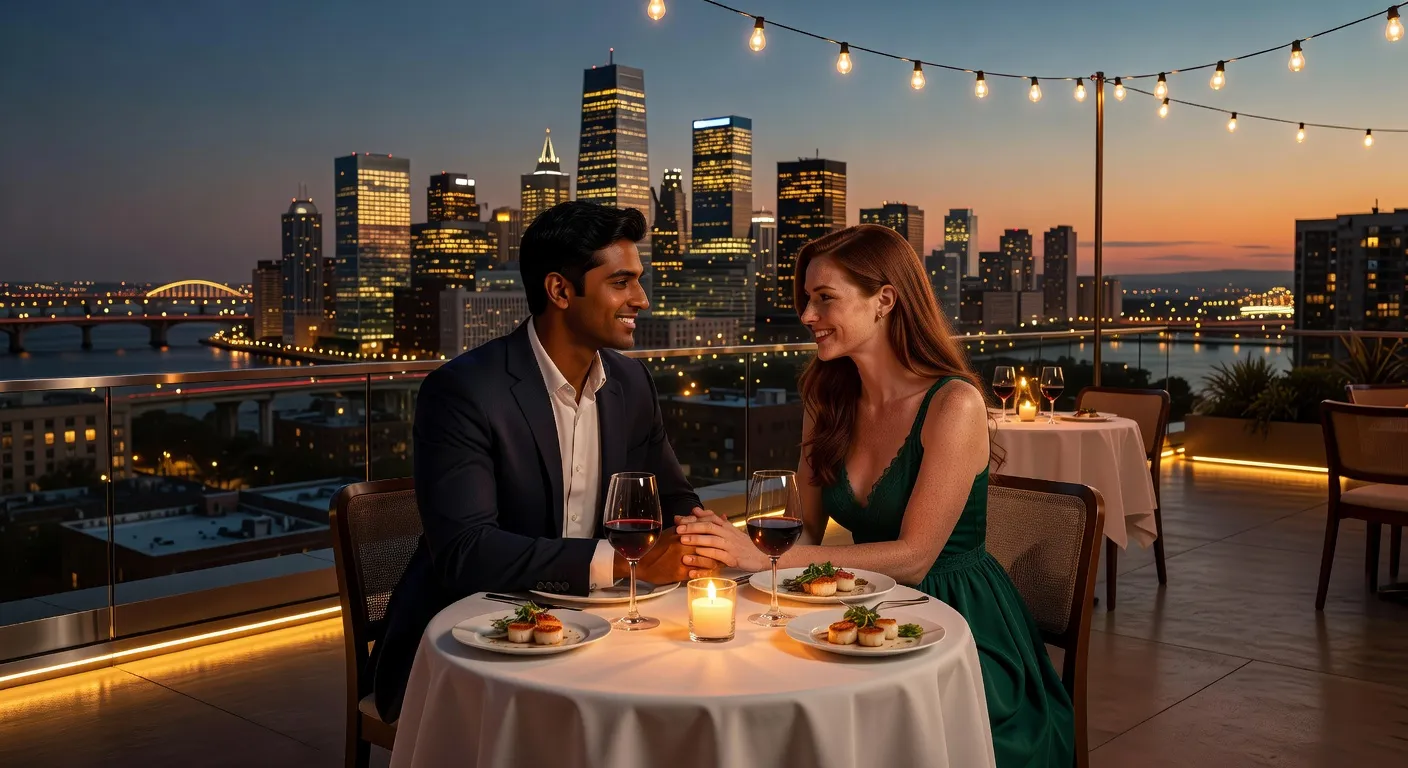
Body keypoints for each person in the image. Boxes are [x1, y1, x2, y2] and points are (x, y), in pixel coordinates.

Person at [676, 224, 1075, 767]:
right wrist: (730, 551)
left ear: (884, 300)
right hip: (854, 606)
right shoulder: (827, 399)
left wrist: (773, 559)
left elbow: (914, 558)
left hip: (954, 624)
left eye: (824, 299)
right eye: (806, 300)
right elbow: (801, 531)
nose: (807, 316)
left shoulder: (953, 404)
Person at [371, 201, 721, 721]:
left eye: (639, 281)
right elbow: (466, 552)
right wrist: (622, 562)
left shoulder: (631, 383)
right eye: (621, 282)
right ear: (560, 290)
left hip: (601, 627)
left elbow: (675, 500)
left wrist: (702, 542)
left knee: (691, 693)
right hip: (474, 640)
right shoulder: (464, 390)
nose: (641, 300)